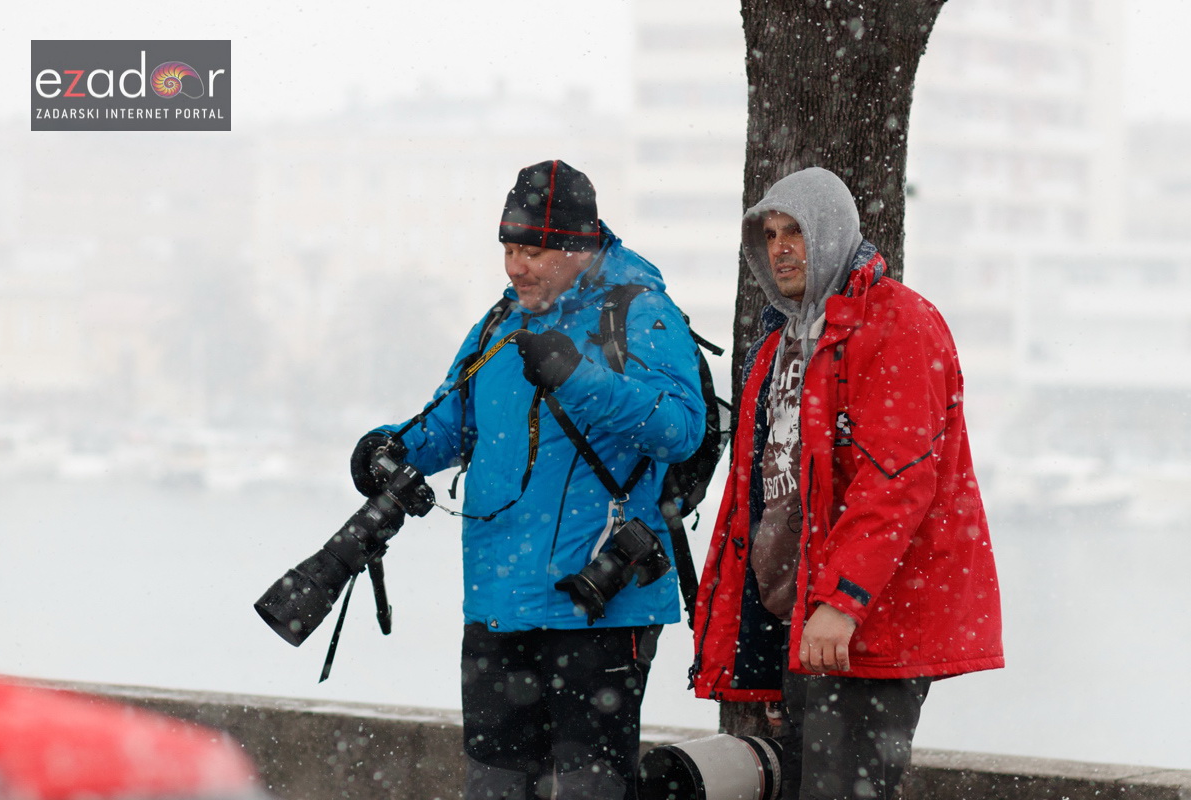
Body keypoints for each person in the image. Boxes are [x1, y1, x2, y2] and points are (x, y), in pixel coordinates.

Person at [351, 159, 706, 800]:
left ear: (579, 245)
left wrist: (580, 379)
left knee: (585, 791)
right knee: (494, 788)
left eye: (534, 250)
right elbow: (452, 424)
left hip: (598, 606)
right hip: (498, 603)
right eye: (509, 248)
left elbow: (682, 428)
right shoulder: (500, 320)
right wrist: (390, 447)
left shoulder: (641, 312)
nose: (517, 266)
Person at [691, 167, 1003, 800]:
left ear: (832, 234)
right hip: (802, 621)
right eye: (770, 234)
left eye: (796, 232)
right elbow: (756, 494)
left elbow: (895, 481)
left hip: (863, 620)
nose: (780, 248)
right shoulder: (781, 341)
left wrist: (843, 601)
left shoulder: (898, 323)